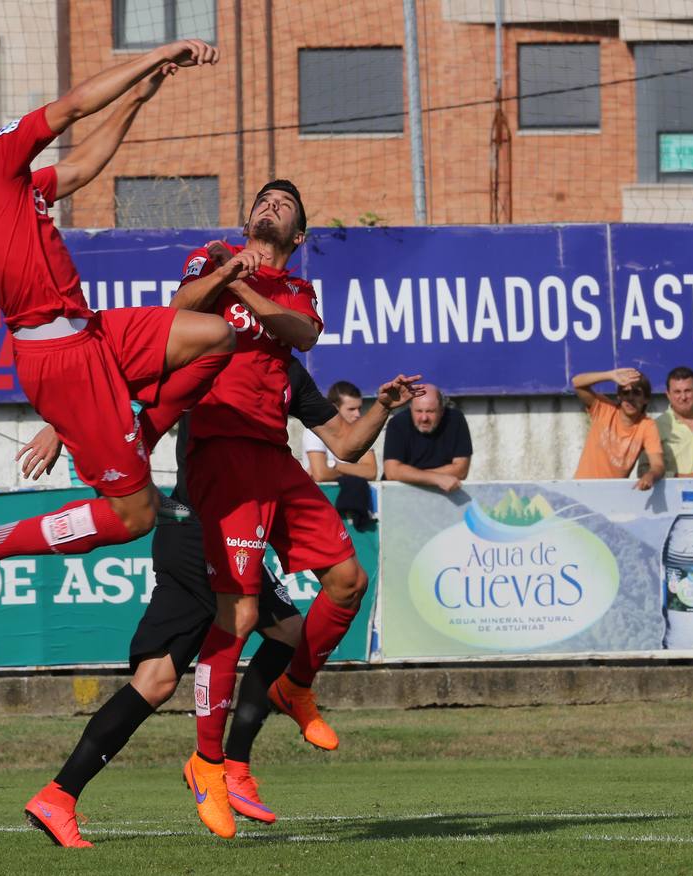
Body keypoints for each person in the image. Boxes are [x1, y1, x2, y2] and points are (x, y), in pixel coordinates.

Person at [0, 40, 238, 615]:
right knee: (136, 520)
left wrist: (137, 100)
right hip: (65, 356)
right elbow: (74, 105)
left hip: (88, 334)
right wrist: (161, 53)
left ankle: (133, 462)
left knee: (213, 336)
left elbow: (79, 166)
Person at [19, 363, 422, 848]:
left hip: (192, 535)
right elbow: (119, 383)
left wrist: (382, 408)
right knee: (286, 635)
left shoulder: (285, 368)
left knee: (156, 680)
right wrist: (60, 426)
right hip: (200, 533)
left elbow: (346, 443)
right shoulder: (208, 352)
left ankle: (59, 795)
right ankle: (229, 767)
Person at [168, 179, 375, 840]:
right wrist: (231, 271)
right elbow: (181, 309)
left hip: (271, 456)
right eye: (264, 198)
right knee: (244, 611)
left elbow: (305, 333)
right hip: (221, 450)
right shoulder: (213, 255)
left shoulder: (294, 296)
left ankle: (295, 686)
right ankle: (208, 762)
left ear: (299, 235)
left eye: (285, 203)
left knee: (348, 580)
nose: (272, 204)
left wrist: (252, 291)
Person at [570, 368, 664, 490]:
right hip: (582, 489)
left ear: (646, 399)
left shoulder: (647, 425)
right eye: (625, 393)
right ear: (619, 397)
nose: (630, 398)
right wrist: (609, 375)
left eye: (636, 393)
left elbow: (658, 465)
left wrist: (651, 475)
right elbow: (577, 383)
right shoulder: (604, 408)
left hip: (614, 495)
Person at [304, 381, 378, 525]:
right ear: (334, 408)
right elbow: (321, 474)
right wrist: (355, 470)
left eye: (359, 408)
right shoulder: (314, 430)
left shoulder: (362, 431)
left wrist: (334, 466)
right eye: (351, 409)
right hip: (319, 509)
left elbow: (371, 471)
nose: (357, 414)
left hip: (354, 511)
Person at [382, 384, 473, 493]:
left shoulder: (455, 420)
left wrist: (409, 474)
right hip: (400, 494)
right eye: (419, 411)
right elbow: (392, 472)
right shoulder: (397, 423)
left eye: (430, 411)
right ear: (411, 408)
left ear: (442, 410)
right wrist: (435, 478)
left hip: (444, 495)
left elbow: (461, 470)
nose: (424, 418)